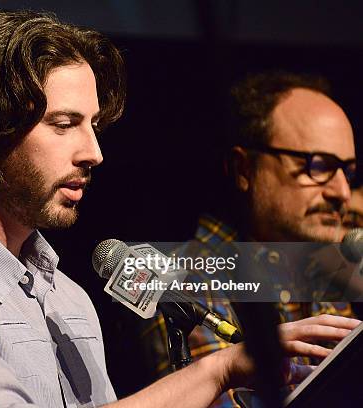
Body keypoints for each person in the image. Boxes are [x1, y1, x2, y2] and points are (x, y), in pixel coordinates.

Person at [0, 14, 360, 408]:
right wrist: (220, 369)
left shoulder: (69, 298)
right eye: (64, 124)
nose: (94, 152)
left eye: (94, 126)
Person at [141, 72, 359, 407]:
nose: (341, 192)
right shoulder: (178, 278)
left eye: (348, 171)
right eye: (318, 165)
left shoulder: (325, 273)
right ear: (244, 169)